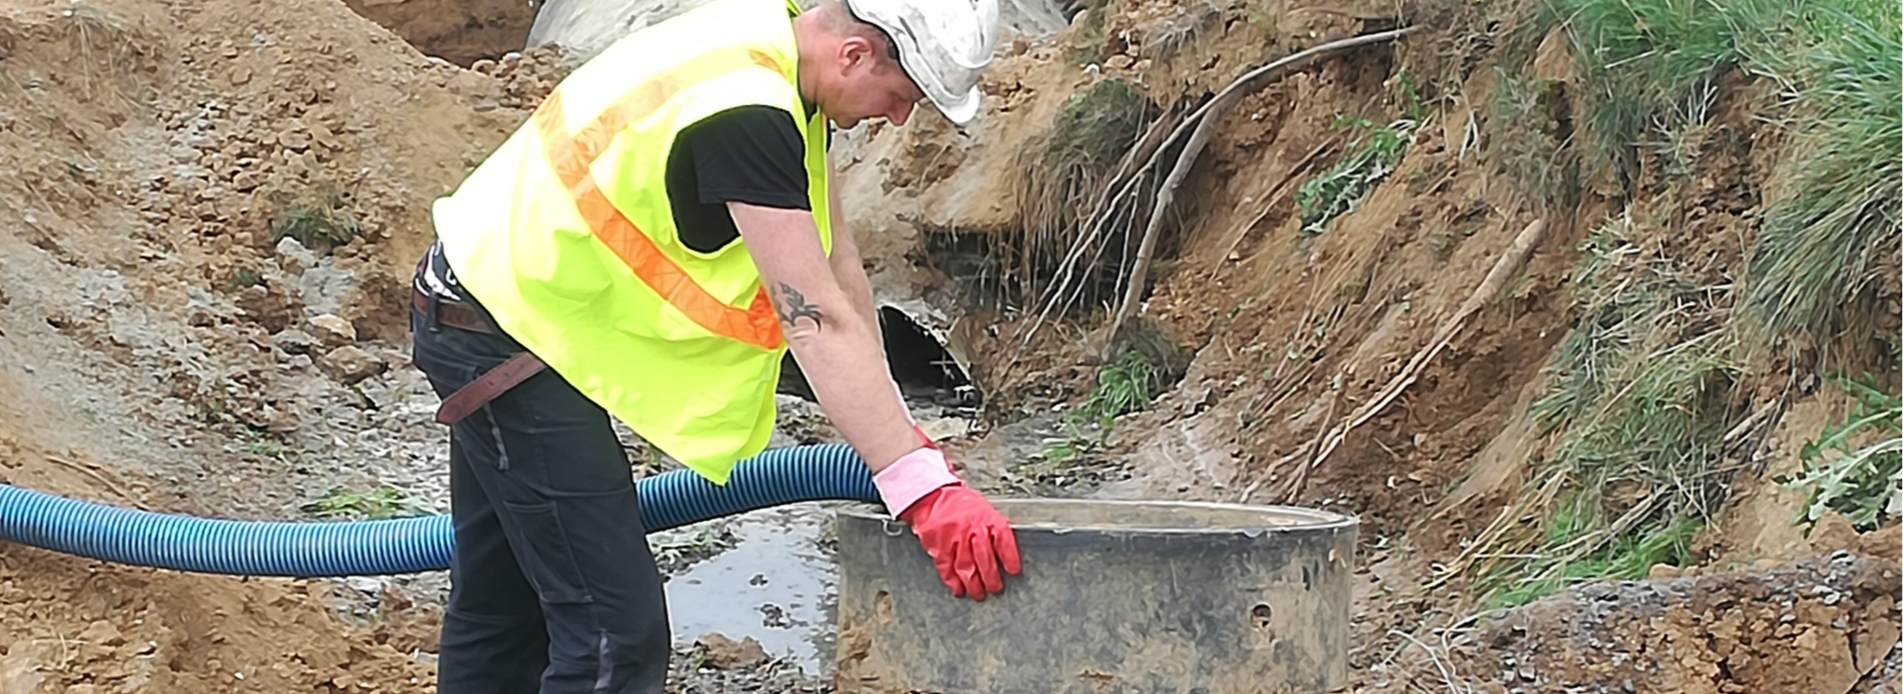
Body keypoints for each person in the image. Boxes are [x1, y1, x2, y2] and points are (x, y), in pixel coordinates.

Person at [404, 0, 1022, 690]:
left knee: (503, 604)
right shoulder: (747, 112)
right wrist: (921, 491)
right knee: (615, 640)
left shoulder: (771, 51)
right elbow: (813, 318)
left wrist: (908, 454)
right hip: (503, 334)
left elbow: (840, 277)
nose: (900, 117)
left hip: (490, 303)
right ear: (854, 54)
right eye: (902, 95)